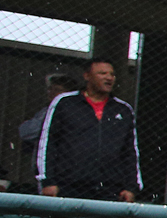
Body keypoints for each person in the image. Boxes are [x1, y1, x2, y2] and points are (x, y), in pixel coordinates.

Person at [36, 57, 141, 202]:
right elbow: (48, 142)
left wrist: (131, 187)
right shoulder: (65, 103)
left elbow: (130, 151)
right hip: (68, 186)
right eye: (102, 73)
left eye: (112, 74)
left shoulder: (123, 110)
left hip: (110, 190)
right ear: (87, 76)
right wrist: (48, 181)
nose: (109, 78)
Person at [17, 72, 77, 194]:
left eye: (57, 90)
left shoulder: (65, 111)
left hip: (65, 169)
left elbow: (29, 130)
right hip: (47, 171)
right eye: (50, 89)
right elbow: (25, 132)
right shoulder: (46, 110)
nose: (51, 93)